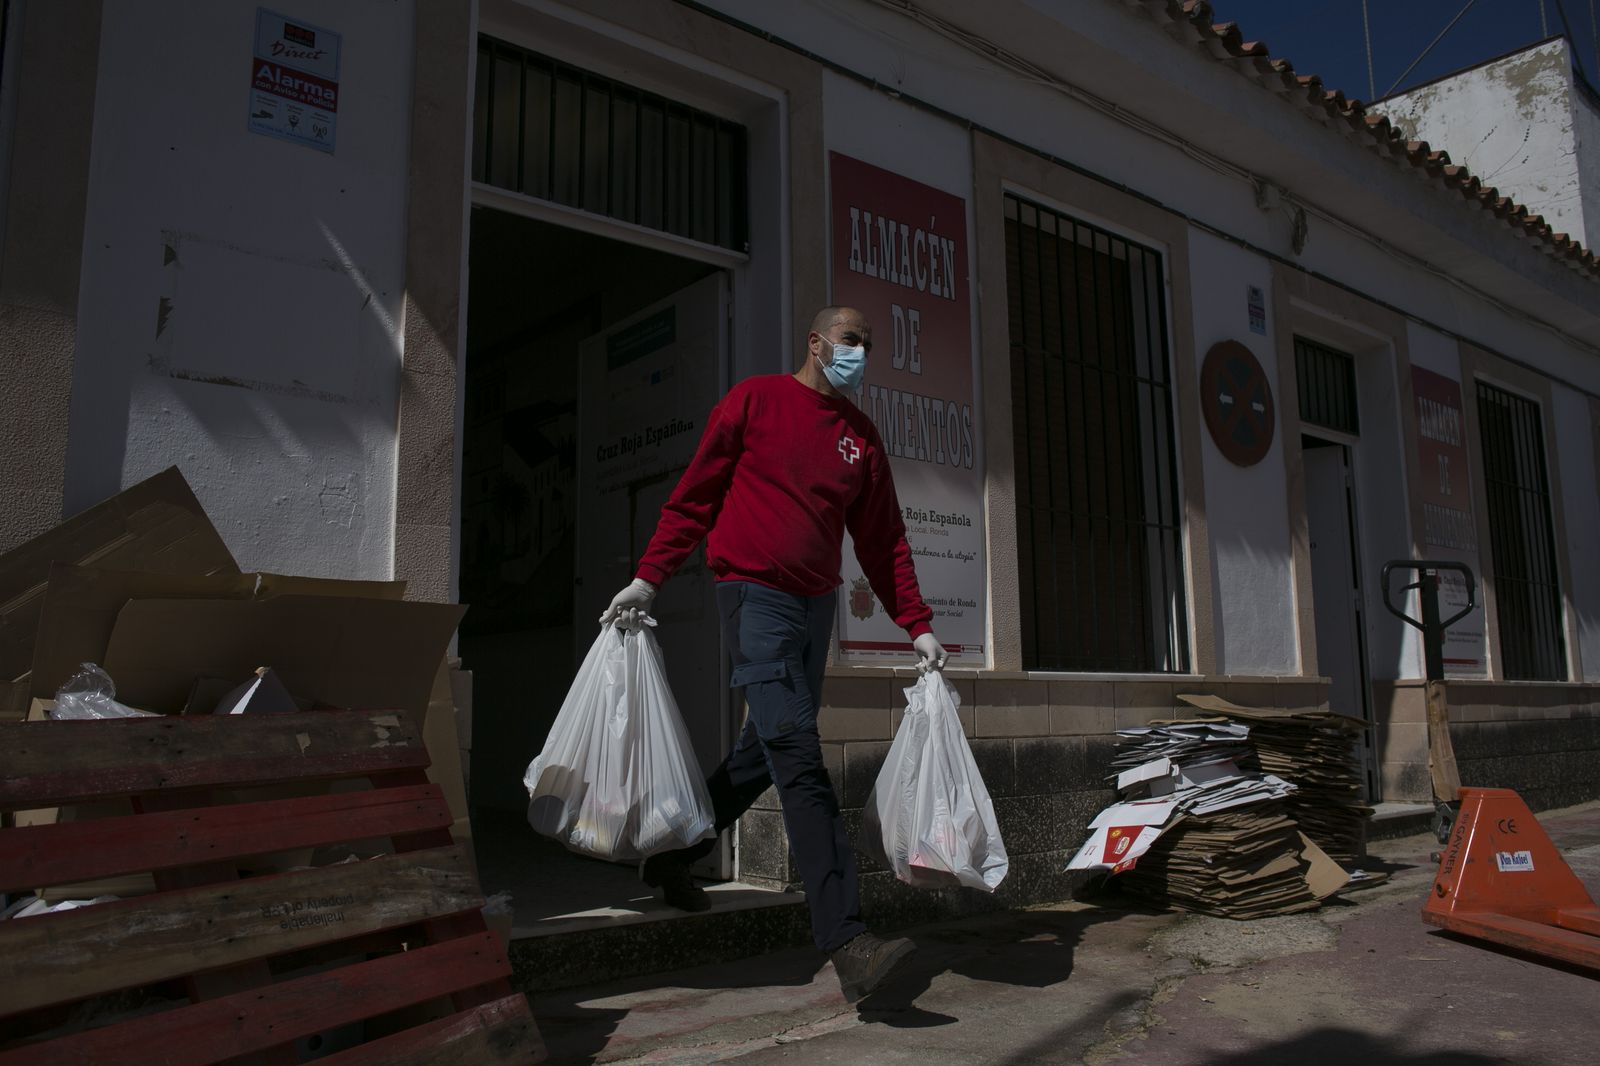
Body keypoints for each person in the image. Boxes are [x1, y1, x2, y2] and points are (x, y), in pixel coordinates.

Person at [600, 305, 947, 1003]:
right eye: (851, 340)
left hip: (816, 609)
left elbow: (883, 542)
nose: (860, 354)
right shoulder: (754, 401)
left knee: (763, 752)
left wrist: (917, 624)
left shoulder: (860, 438)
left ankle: (674, 859)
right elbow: (693, 499)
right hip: (753, 598)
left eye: (868, 345)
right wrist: (649, 577)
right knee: (798, 756)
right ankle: (848, 940)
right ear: (816, 343)